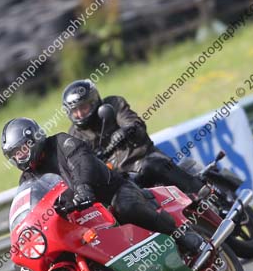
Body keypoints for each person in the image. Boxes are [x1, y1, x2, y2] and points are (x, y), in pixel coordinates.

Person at [1, 117, 204, 254]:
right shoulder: (28, 179)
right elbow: (30, 209)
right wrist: (22, 241)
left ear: (34, 139)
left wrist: (83, 188)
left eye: (22, 149)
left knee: (127, 207)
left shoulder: (61, 142)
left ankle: (181, 235)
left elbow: (82, 162)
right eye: (15, 154)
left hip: (110, 193)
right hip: (80, 219)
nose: (20, 156)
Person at [62, 79, 205, 194]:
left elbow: (135, 123)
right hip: (120, 179)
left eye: (83, 107)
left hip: (141, 159)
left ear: (94, 102)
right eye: (75, 110)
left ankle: (200, 191)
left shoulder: (113, 104)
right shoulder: (74, 135)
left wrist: (125, 131)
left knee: (152, 165)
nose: (79, 114)